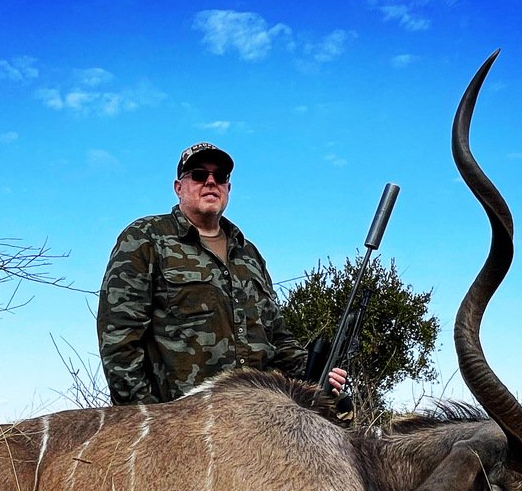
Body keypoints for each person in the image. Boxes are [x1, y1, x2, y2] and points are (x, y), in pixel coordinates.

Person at [97, 142, 345, 405]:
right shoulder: (146, 237)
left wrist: (318, 373)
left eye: (221, 177)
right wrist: (145, 421)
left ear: (228, 188)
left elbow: (278, 340)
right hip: (180, 425)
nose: (211, 182)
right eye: (199, 175)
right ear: (178, 187)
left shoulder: (249, 254)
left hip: (257, 421)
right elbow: (119, 339)